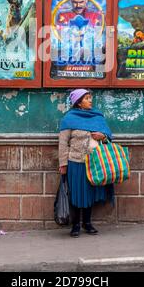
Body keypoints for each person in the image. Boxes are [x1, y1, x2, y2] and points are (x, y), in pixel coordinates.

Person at [58, 89, 114, 238]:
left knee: (89, 193)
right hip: (75, 163)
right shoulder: (69, 119)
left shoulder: (97, 117)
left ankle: (87, 223)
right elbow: (63, 144)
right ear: (79, 102)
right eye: (87, 98)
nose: (90, 101)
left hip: (94, 163)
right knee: (76, 193)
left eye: (90, 98)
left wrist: (103, 136)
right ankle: (76, 224)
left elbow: (108, 138)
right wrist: (63, 164)